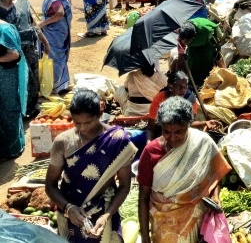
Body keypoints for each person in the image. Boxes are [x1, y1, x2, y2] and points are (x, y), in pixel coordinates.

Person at [46, 90, 136, 242]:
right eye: (77, 123)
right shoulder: (63, 142)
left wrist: (106, 216)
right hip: (72, 215)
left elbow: (124, 185)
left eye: (88, 122)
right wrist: (68, 208)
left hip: (105, 211)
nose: (83, 128)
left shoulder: (117, 141)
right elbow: (50, 186)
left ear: (100, 113)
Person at [138, 96, 230, 243]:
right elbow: (143, 197)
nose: (172, 138)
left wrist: (215, 196)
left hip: (197, 219)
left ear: (189, 125)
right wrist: (144, 237)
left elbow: (213, 176)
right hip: (164, 224)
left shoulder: (202, 143)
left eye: (179, 132)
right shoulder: (151, 152)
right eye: (166, 131)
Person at [0, 0, 48, 116]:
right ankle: (17, 110)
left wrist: (45, 41)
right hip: (9, 51)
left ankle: (31, 108)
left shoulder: (22, 5)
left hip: (28, 49)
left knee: (32, 78)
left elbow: (33, 24)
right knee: (15, 80)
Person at [146, 71, 217, 141]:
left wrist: (204, 123)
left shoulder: (190, 99)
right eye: (179, 87)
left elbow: (190, 123)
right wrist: (149, 144)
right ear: (170, 87)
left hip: (180, 136)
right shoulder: (160, 98)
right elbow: (151, 127)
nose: (183, 90)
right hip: (162, 134)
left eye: (185, 86)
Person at [36, 0, 73, 94]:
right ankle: (62, 83)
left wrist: (42, 23)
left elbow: (60, 13)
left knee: (55, 56)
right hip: (58, 30)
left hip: (55, 32)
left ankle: (56, 84)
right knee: (58, 55)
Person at [0, 19, 26, 159]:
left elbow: (14, 54)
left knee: (9, 111)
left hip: (7, 76)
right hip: (3, 76)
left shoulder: (3, 29)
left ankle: (12, 149)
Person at [175, 19, 224, 89]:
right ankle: (194, 83)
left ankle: (206, 82)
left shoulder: (205, 30)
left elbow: (215, 33)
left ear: (194, 37)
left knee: (206, 61)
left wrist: (217, 47)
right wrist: (177, 72)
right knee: (192, 61)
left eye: (187, 41)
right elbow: (180, 55)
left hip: (207, 45)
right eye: (183, 41)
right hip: (193, 47)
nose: (185, 43)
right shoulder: (181, 37)